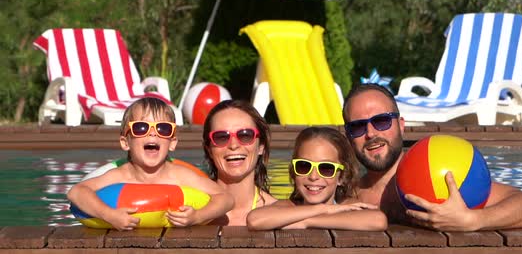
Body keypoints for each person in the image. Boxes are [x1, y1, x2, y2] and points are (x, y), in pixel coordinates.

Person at [342, 83, 522, 231]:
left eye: (382, 121)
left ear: (401, 126)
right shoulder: (346, 194)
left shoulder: (435, 172)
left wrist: (473, 220)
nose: (370, 133)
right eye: (357, 126)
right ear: (348, 136)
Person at [67, 97, 234, 231]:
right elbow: (76, 192)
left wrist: (198, 216)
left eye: (163, 128)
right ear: (126, 142)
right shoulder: (119, 175)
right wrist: (109, 215)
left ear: (172, 143)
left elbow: (225, 198)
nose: (153, 133)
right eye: (140, 128)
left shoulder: (180, 175)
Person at [246, 126, 387, 231]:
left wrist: (305, 222)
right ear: (294, 173)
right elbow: (255, 220)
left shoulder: (345, 205)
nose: (313, 176)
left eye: (326, 168)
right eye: (303, 166)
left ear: (341, 177)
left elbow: (378, 220)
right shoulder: (289, 206)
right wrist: (323, 209)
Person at [202, 100, 277, 225]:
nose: (233, 145)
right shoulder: (191, 208)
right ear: (209, 150)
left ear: (261, 147)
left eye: (245, 135)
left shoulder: (277, 212)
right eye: (221, 137)